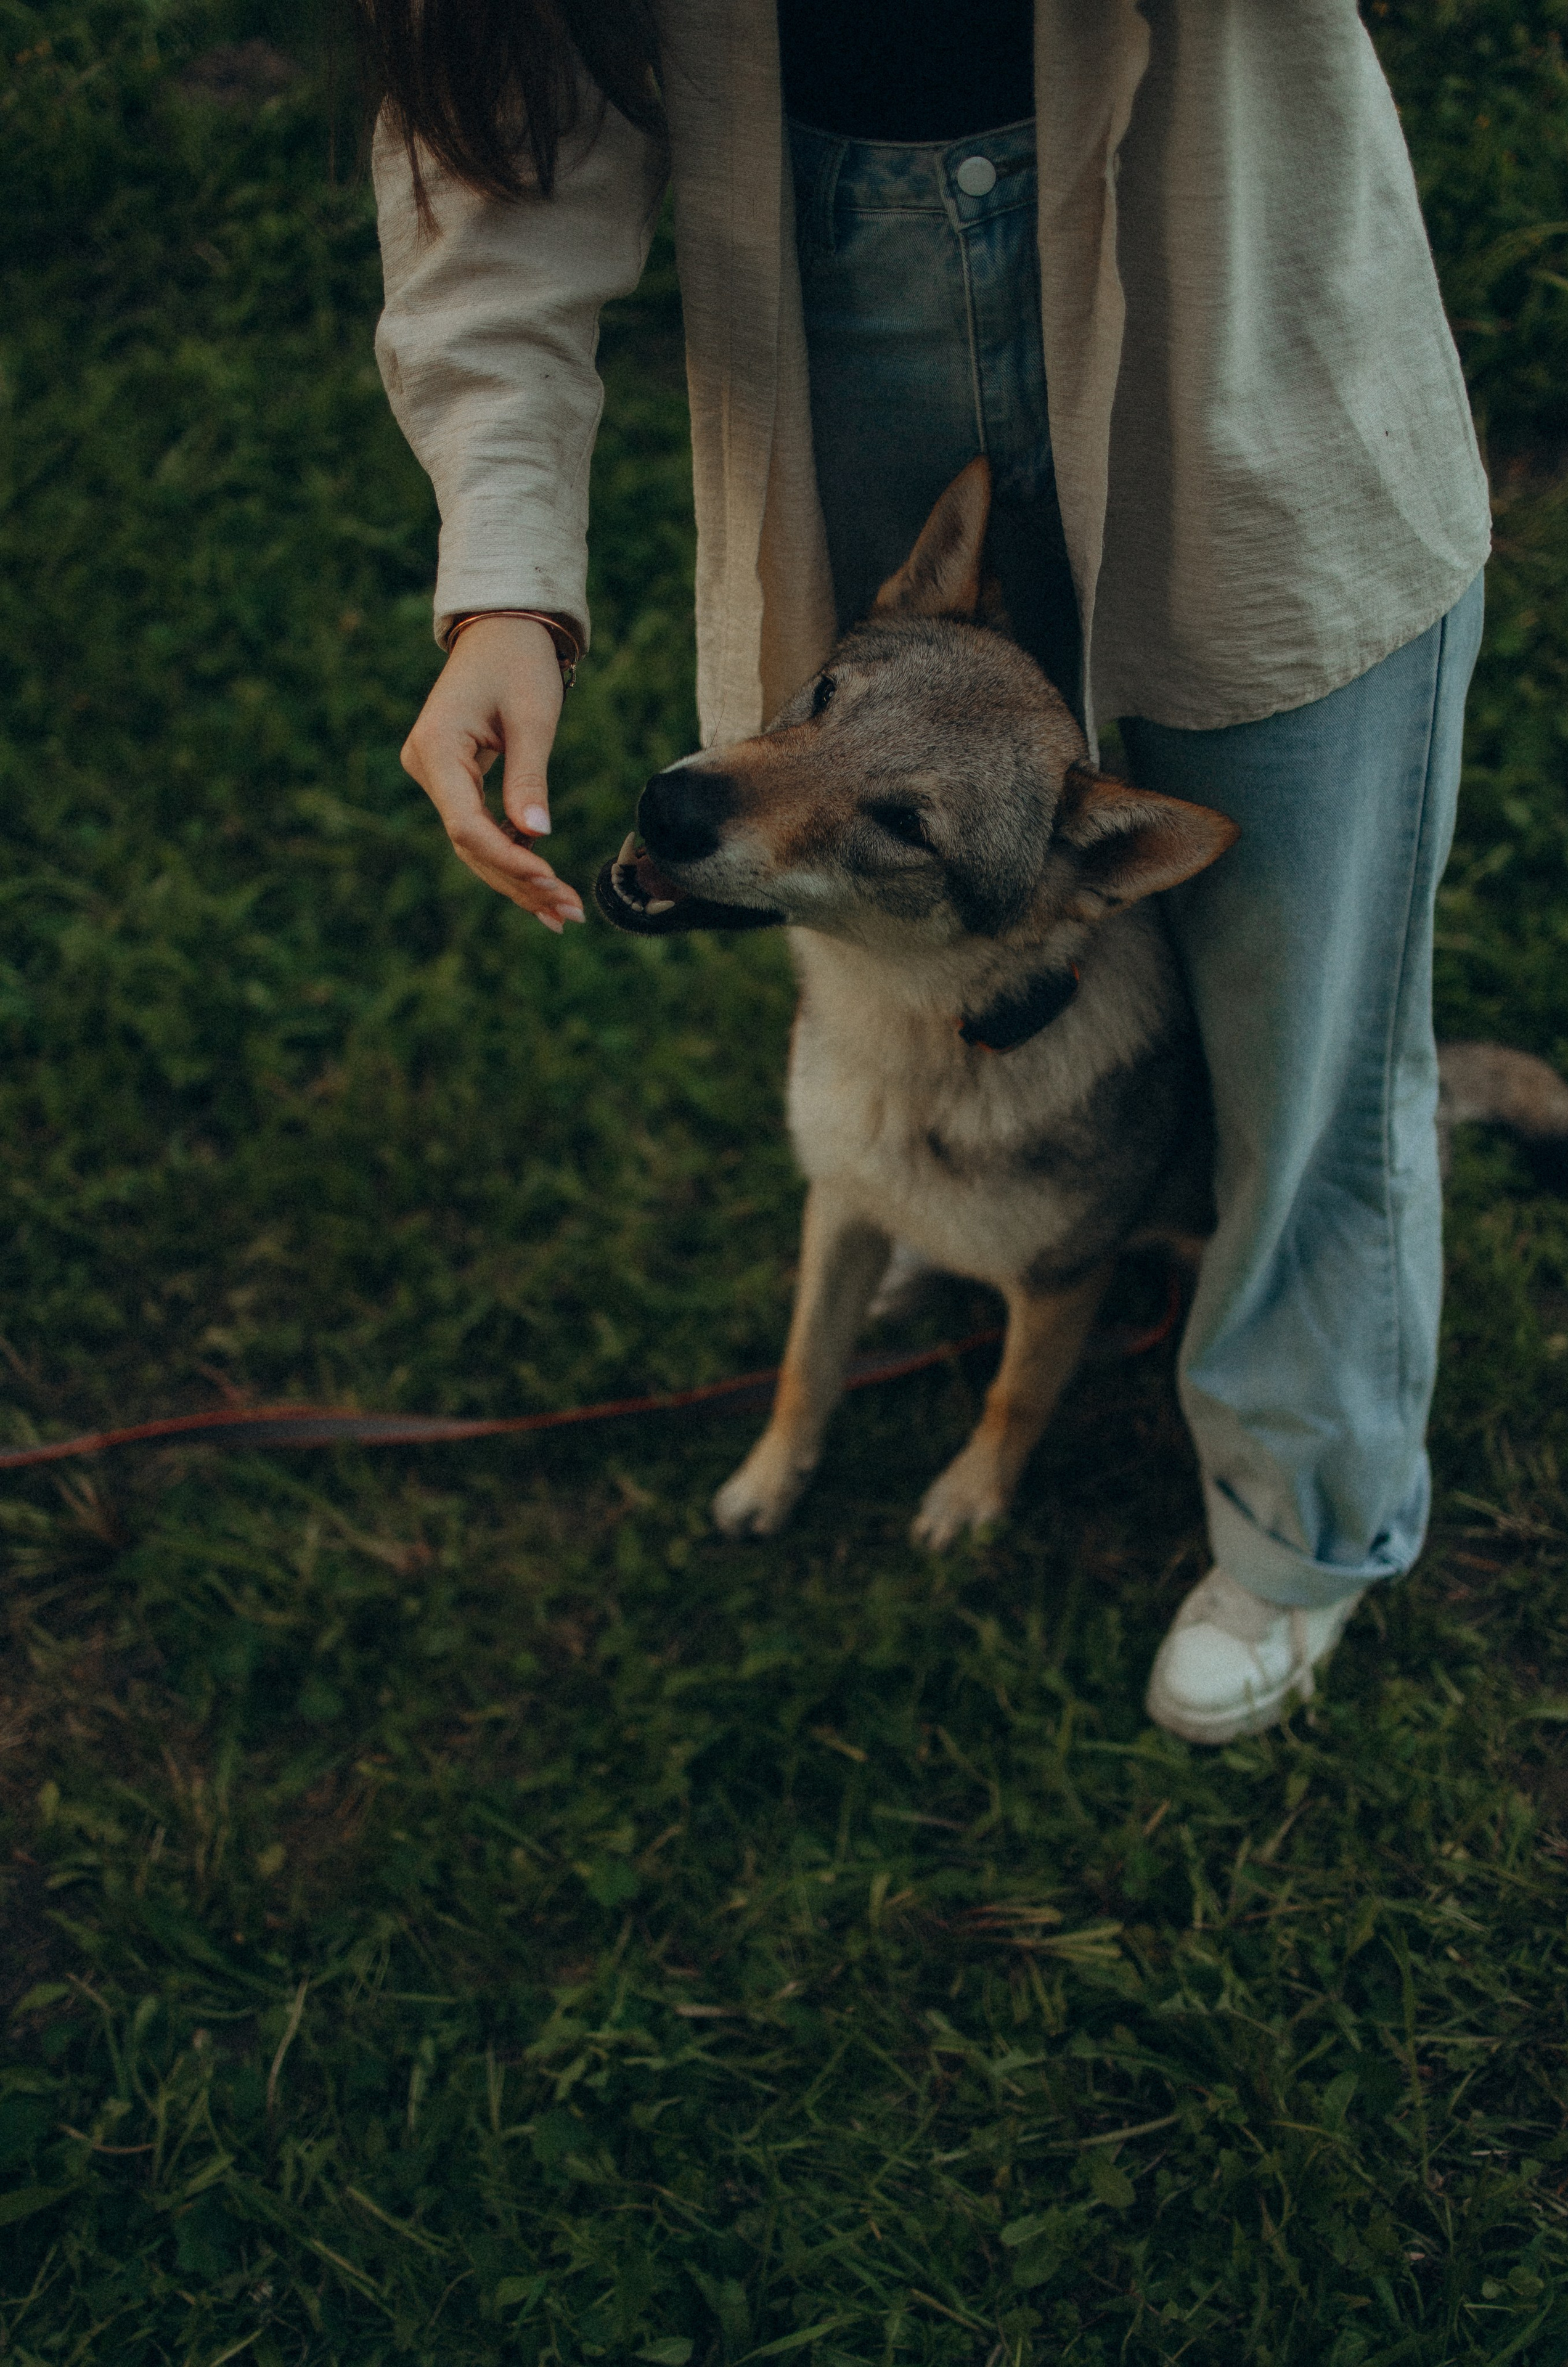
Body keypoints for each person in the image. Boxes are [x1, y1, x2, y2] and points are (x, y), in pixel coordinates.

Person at [365, 0, 1490, 1743]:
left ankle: (1300, 1522)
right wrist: (506, 574)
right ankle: (922, 1217)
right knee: (885, 819)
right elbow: (500, 119)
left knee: (1307, 1055)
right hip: (842, 297)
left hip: (1239, 288)